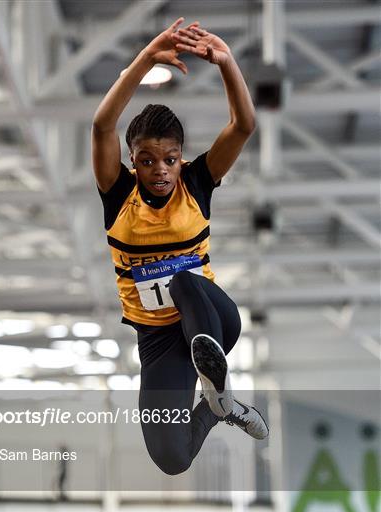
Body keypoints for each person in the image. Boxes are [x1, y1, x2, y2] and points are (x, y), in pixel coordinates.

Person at [92, 17, 268, 476]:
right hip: (159, 339)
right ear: (133, 160)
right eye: (147, 161)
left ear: (181, 157)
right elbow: (101, 125)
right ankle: (219, 405)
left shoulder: (197, 181)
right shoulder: (117, 194)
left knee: (184, 281)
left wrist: (227, 61)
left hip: (212, 316)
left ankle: (211, 363)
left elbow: (244, 125)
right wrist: (145, 59)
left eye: (170, 159)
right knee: (171, 458)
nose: (160, 170)